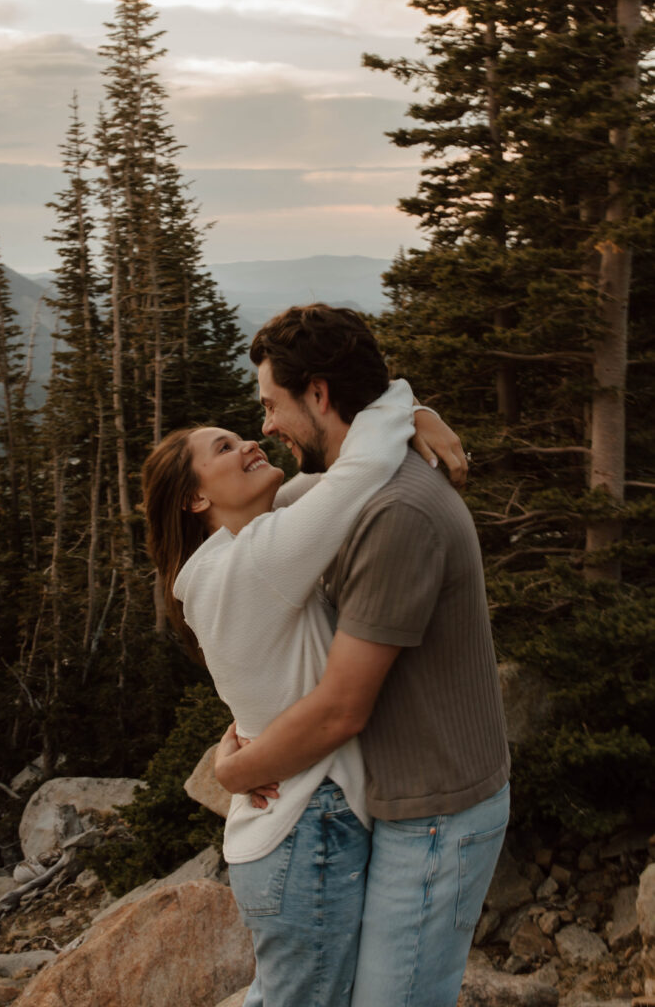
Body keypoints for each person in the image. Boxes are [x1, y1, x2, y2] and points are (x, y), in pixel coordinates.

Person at [214, 303, 511, 1007]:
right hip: (404, 799)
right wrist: (410, 410)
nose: (264, 427)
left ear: (319, 394)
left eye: (271, 404)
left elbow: (342, 707)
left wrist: (234, 771)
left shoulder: (393, 512)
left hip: (437, 813)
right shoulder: (349, 490)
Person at [142, 361, 461, 1007]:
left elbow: (323, 476)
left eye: (243, 432)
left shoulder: (227, 554)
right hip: (305, 831)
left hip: (293, 830)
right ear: (195, 499)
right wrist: (406, 399)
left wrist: (412, 412)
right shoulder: (252, 561)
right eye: (224, 448)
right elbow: (360, 470)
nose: (249, 441)